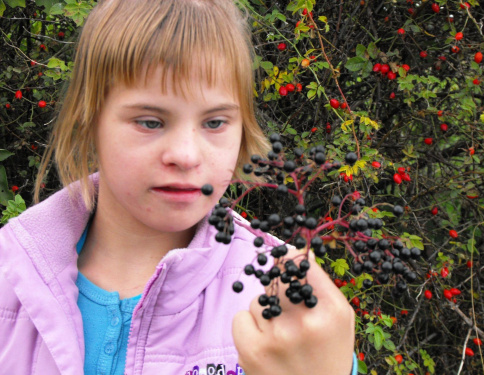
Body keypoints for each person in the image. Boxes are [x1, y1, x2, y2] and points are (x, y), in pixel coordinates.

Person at [0, 0, 356, 374]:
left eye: (215, 122)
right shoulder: (12, 273)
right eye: (151, 122)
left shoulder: (277, 299)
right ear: (88, 122)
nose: (186, 156)